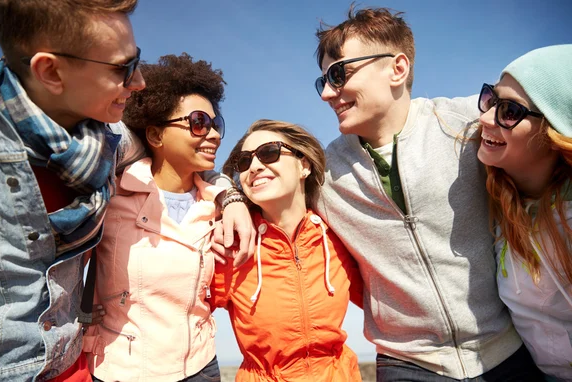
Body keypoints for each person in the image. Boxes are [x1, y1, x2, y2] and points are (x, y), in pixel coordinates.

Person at [313, 5, 543, 381]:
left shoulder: (468, 122)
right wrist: (233, 198)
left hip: (506, 352)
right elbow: (239, 174)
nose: (326, 93)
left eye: (338, 74)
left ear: (397, 68)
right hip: (407, 364)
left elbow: (549, 122)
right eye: (321, 80)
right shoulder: (319, 171)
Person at [0, 1, 146, 380]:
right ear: (49, 70)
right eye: (123, 69)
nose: (139, 83)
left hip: (72, 367)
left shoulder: (111, 140)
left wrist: (226, 194)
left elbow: (166, 153)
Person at [83, 53, 225, 382]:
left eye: (216, 125)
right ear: (156, 136)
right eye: (199, 122)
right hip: (121, 369)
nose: (215, 135)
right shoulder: (113, 194)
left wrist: (229, 197)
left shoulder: (220, 205)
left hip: (201, 367)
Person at [212, 119, 364, 381]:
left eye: (269, 153)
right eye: (245, 162)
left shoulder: (338, 235)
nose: (255, 167)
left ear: (303, 165)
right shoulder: (230, 244)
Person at [477, 45, 572, 381]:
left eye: (510, 111)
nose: (485, 118)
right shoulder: (492, 193)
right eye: (490, 99)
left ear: (554, 131)